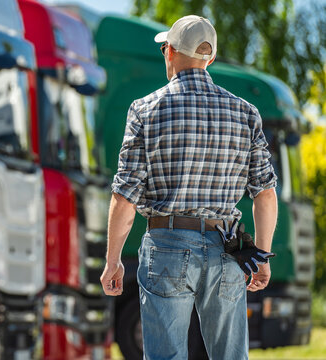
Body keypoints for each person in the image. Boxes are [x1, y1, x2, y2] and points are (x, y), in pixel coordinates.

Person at [99, 15, 278, 360]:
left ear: (168, 51)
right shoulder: (246, 113)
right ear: (209, 59)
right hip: (228, 248)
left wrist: (113, 260)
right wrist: (262, 257)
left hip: (166, 246)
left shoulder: (145, 111)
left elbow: (125, 198)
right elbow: (265, 194)